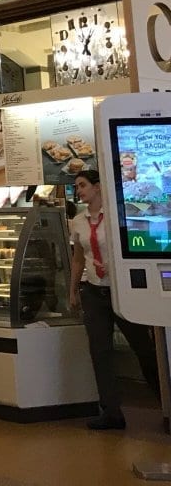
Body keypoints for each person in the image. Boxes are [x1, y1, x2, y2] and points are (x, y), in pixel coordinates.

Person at [70, 169, 159, 430]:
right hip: (93, 292)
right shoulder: (78, 221)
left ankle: (164, 401)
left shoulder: (119, 215)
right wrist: (73, 291)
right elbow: (78, 259)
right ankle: (111, 412)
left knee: (144, 349)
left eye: (83, 185)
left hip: (122, 291)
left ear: (98, 186)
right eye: (77, 186)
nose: (79, 190)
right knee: (100, 352)